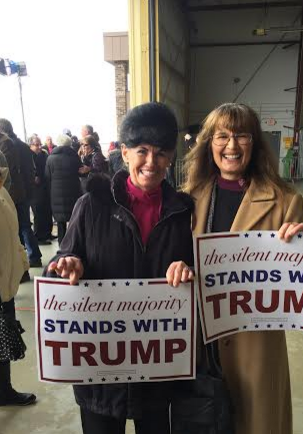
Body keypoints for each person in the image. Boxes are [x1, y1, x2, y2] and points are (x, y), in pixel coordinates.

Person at [46, 102, 194, 434]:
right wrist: (67, 265)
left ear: (171, 158)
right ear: (125, 153)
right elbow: (60, 262)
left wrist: (188, 269)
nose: (151, 162)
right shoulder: (91, 204)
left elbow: (197, 272)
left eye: (160, 153)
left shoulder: (183, 212)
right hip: (100, 372)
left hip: (157, 371)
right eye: (142, 151)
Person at [183, 102, 303, 434]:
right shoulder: (186, 199)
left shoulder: (285, 200)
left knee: (256, 423)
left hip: (256, 345)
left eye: (241, 136)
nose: (231, 145)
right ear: (208, 143)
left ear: (254, 143)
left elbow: (298, 285)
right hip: (202, 343)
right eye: (221, 136)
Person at [0, 165, 36, 406]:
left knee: (3, 339)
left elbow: (12, 235)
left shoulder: (3, 191)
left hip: (6, 281)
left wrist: (22, 260)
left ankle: (4, 390)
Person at [0, 118, 42, 268]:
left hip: (12, 193)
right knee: (24, 226)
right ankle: (34, 257)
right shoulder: (23, 146)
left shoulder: (6, 144)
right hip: (23, 191)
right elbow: (31, 169)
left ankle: (26, 262)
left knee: (17, 229)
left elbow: (7, 172)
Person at [45, 134, 82, 244]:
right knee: (73, 219)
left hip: (56, 194)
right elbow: (79, 171)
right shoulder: (74, 156)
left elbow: (47, 177)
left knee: (60, 223)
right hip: (73, 192)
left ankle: (62, 246)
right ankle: (74, 243)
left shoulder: (50, 158)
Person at [29, 134, 54, 244]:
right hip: (35, 189)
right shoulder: (28, 156)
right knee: (38, 213)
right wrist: (33, 177)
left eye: (40, 144)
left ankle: (48, 233)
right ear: (30, 145)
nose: (39, 147)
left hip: (46, 186)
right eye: (36, 145)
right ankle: (39, 237)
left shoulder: (44, 154)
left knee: (48, 211)